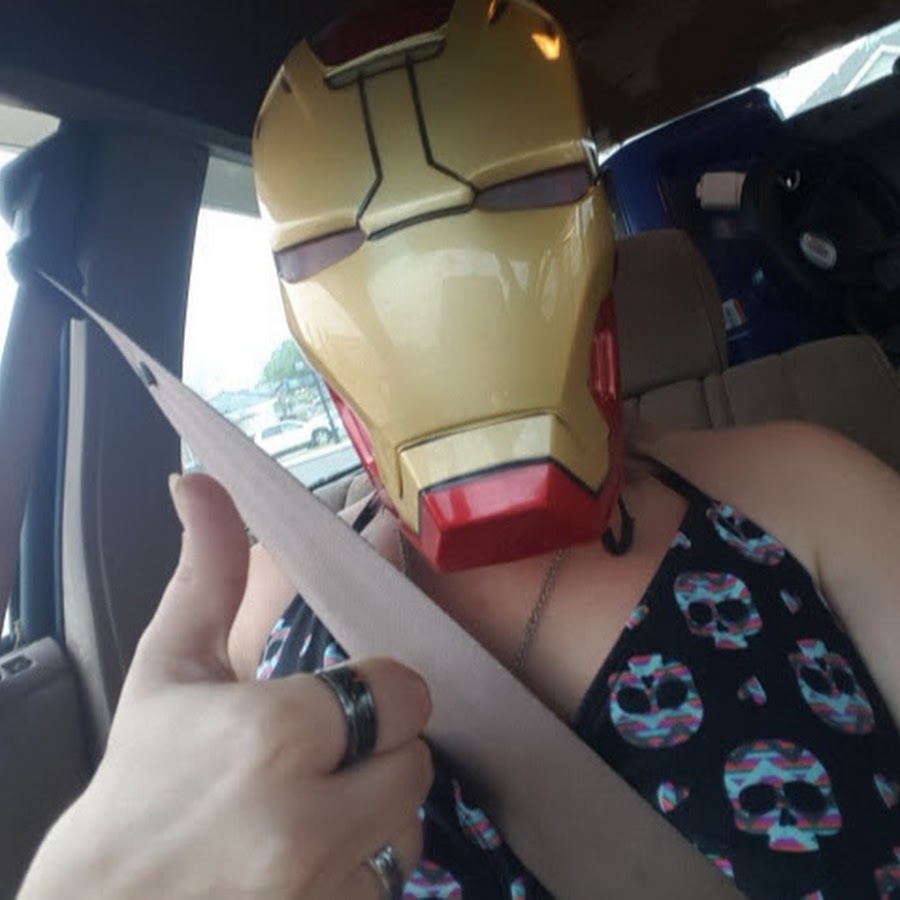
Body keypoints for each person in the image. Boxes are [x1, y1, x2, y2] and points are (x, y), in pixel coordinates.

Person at [18, 0, 900, 897]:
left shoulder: (806, 494)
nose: (434, 279)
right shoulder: (269, 604)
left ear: (596, 219)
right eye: (333, 245)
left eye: (519, 193)